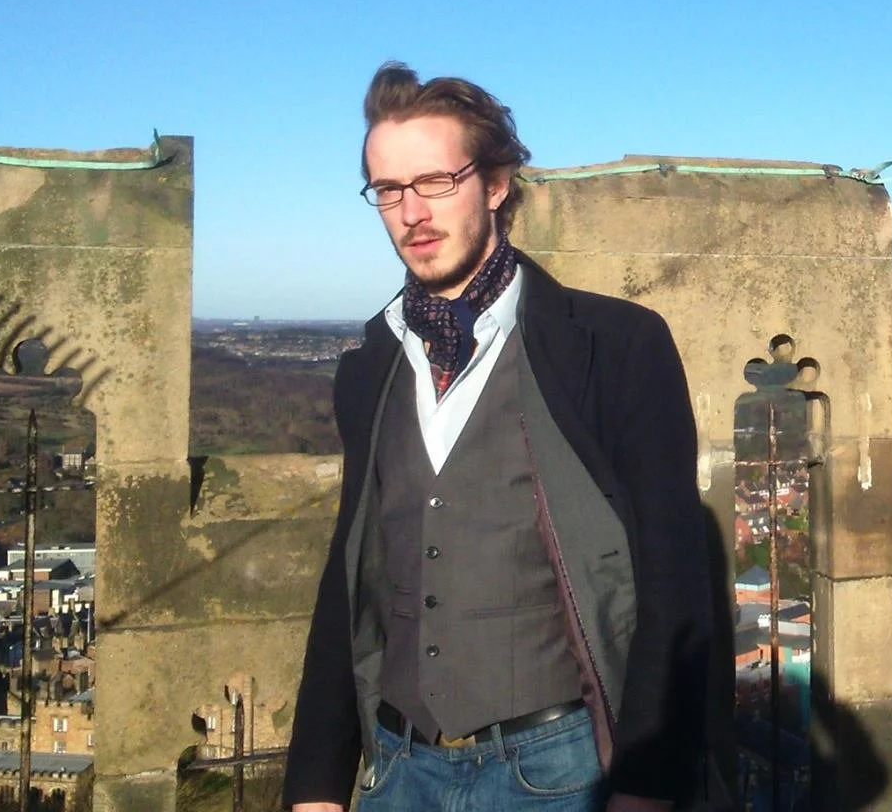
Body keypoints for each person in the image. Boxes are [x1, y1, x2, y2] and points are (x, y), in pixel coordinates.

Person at [285, 63, 712, 812]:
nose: (411, 211)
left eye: (435, 182)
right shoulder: (370, 366)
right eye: (388, 190)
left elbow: (673, 583)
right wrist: (317, 785)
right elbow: (351, 577)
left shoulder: (616, 347)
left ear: (495, 183)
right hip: (397, 769)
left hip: (558, 772)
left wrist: (647, 785)